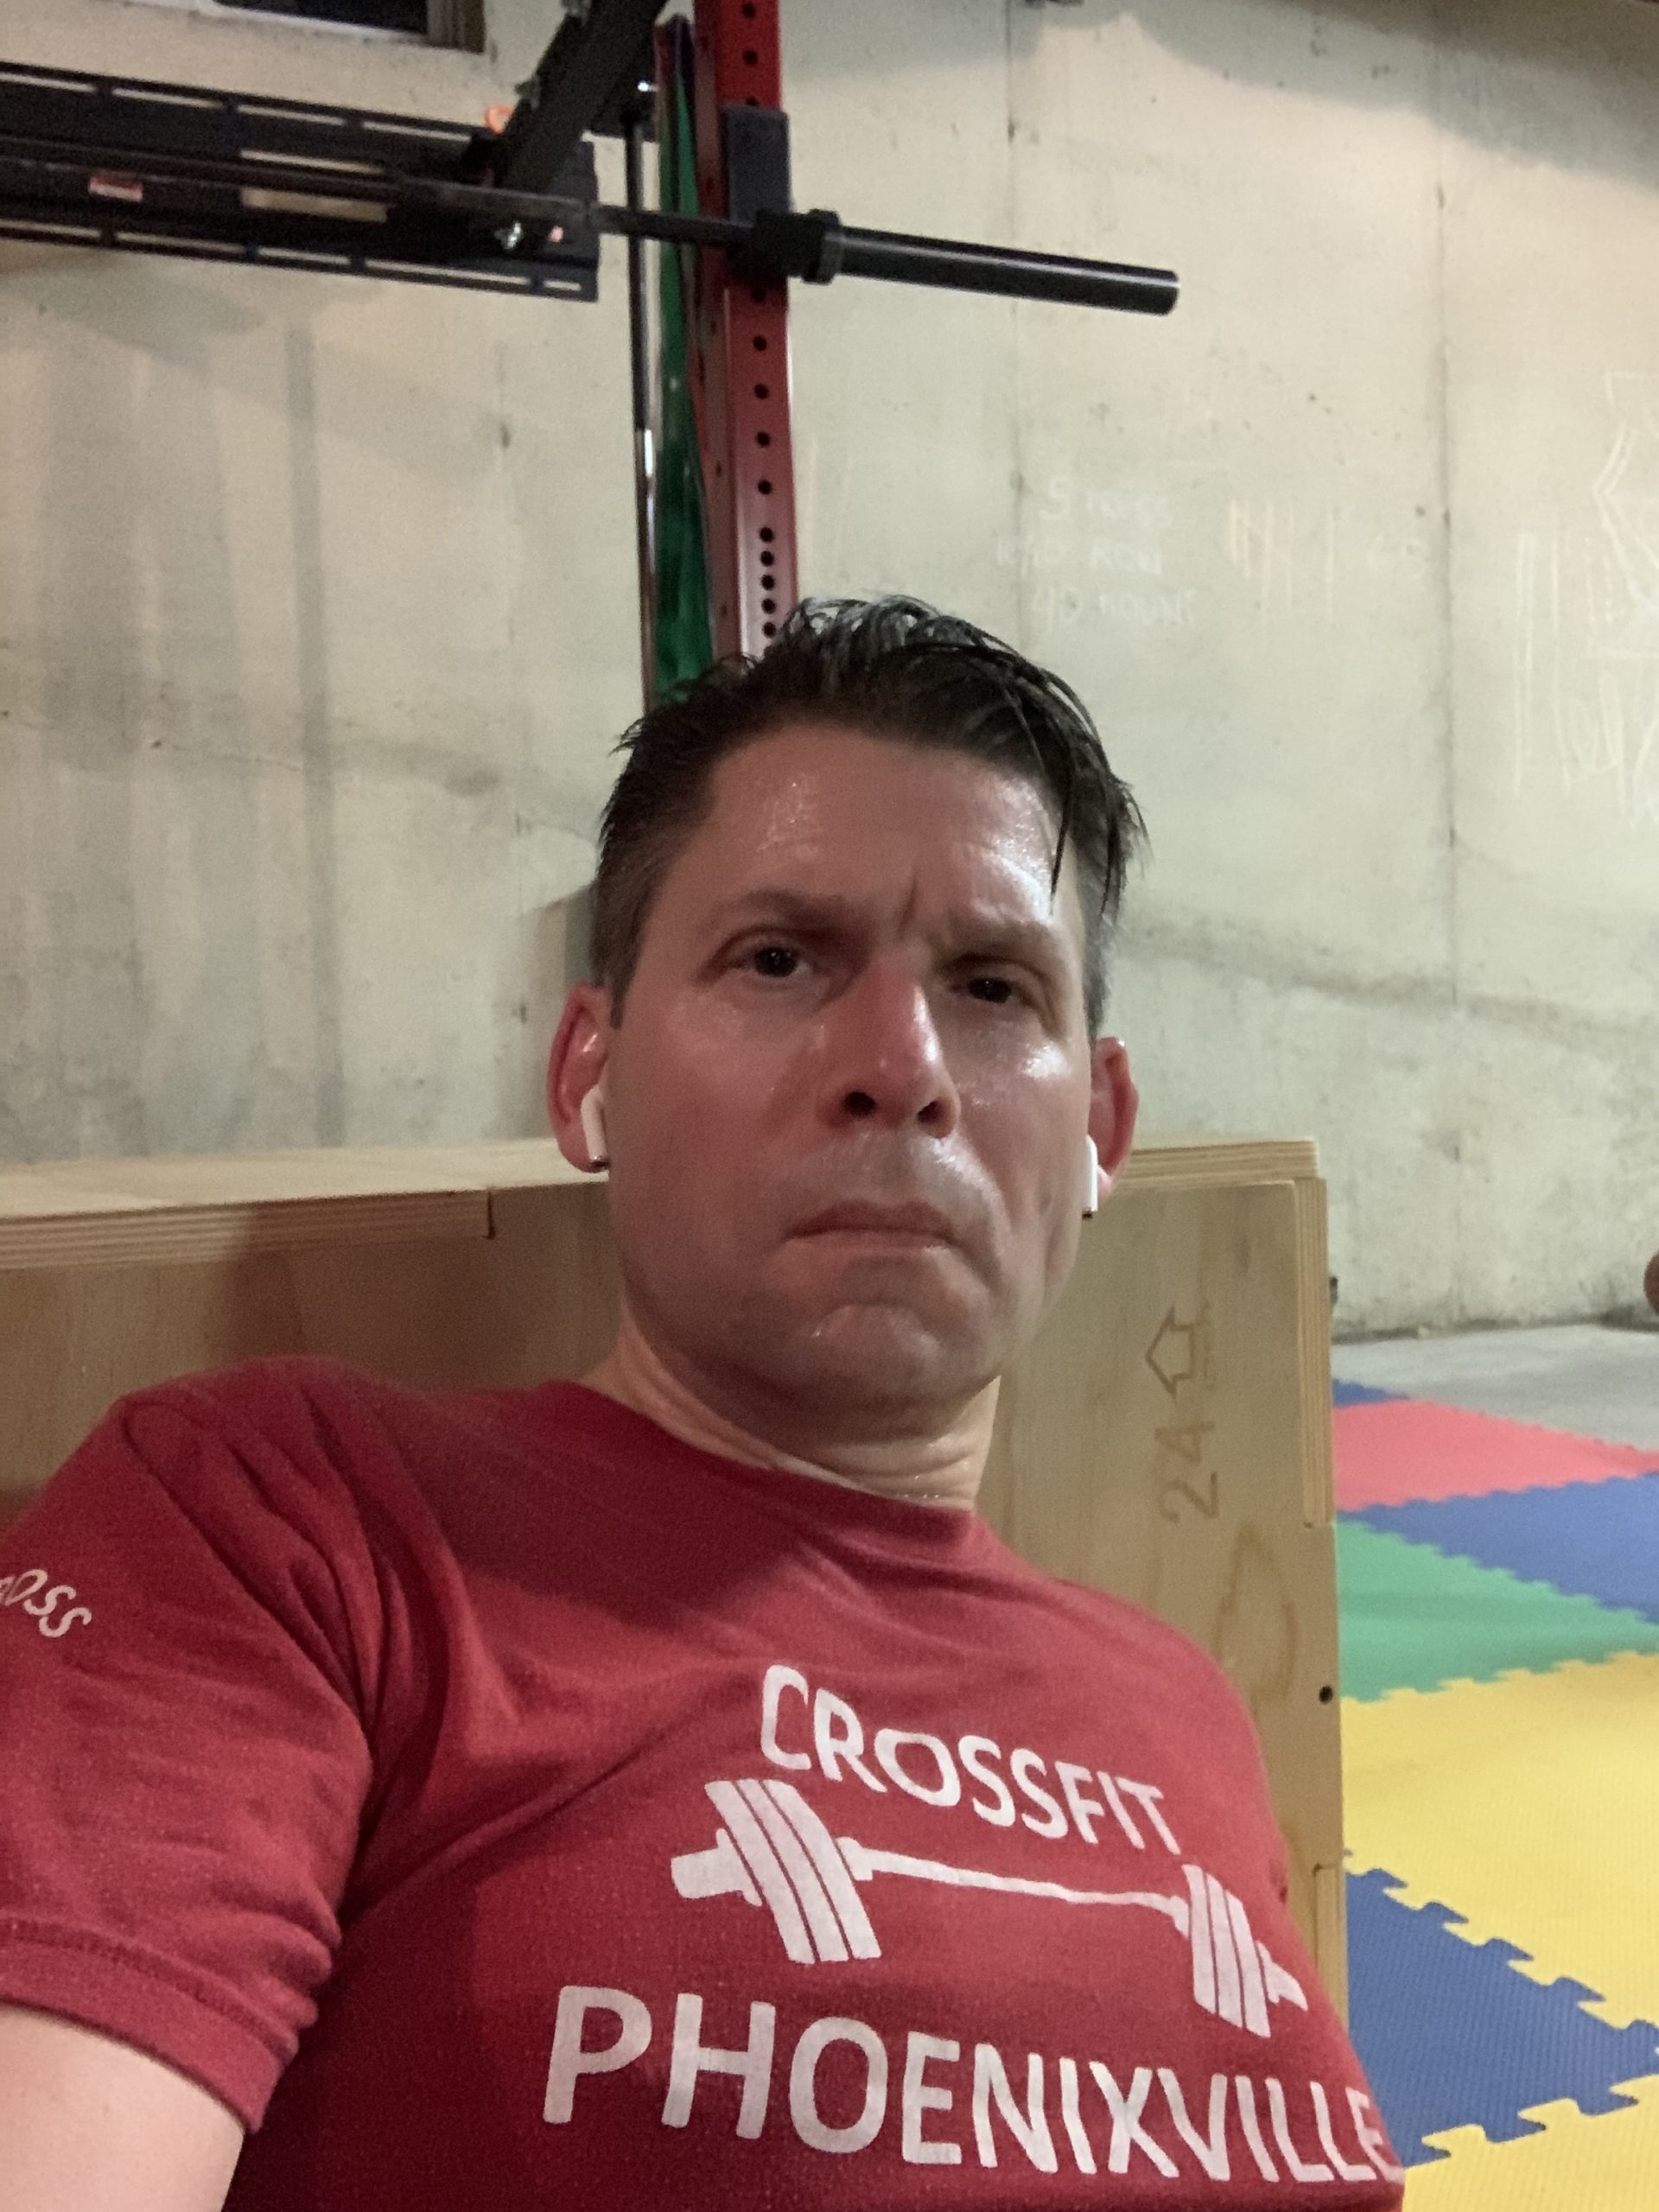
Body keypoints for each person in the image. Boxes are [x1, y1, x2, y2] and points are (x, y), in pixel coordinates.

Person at [0, 598, 1403, 2209]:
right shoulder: (284, 1517)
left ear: (1101, 1129)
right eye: (780, 958)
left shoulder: (1187, 1710)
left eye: (995, 985)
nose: (902, 1064)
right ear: (585, 1073)